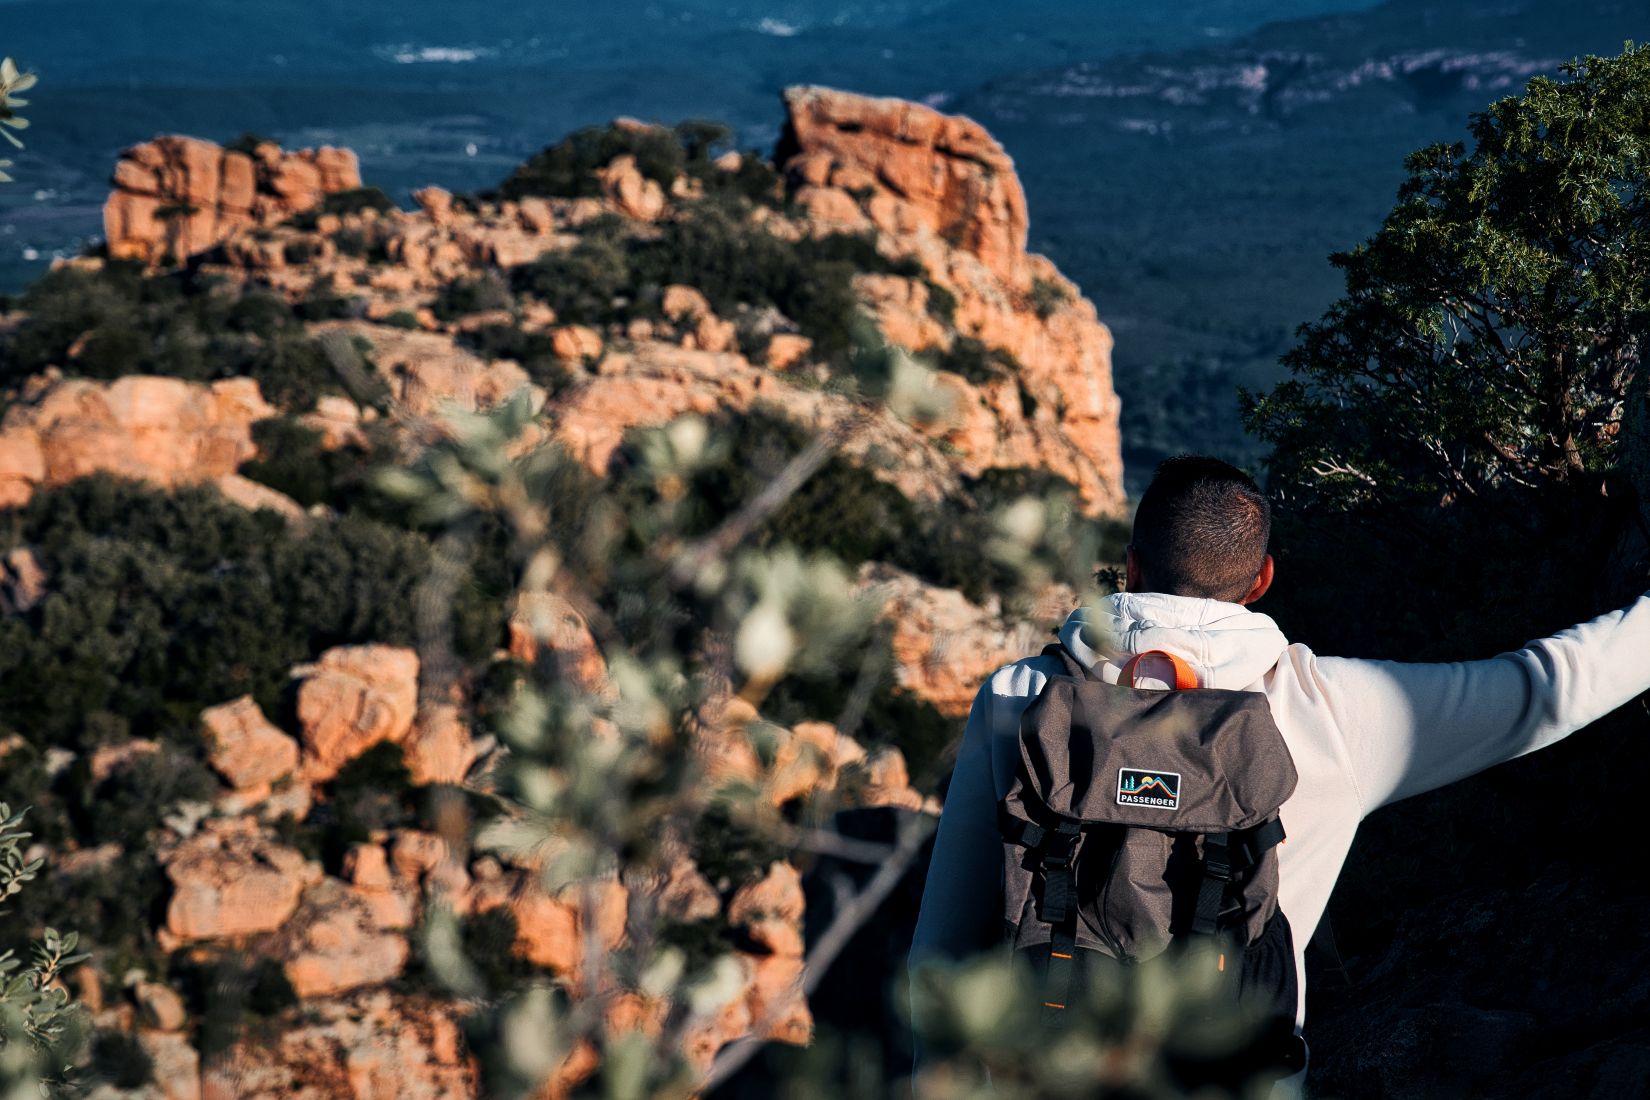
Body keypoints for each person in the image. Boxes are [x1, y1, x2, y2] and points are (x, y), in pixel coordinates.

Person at [909, 454, 1650, 1074]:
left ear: (1128, 570)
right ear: (1262, 579)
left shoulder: (1019, 698)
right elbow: (1544, 690)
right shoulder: (1336, 710)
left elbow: (941, 947)